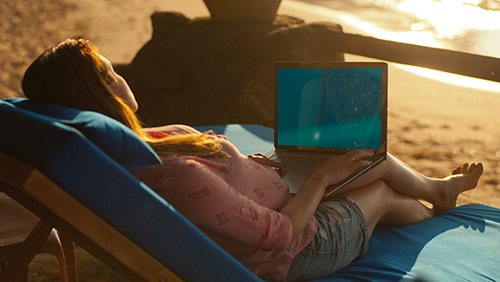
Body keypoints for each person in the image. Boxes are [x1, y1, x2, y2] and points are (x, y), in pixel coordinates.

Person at [21, 38, 484, 281]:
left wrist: (270, 165)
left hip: (279, 196)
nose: (121, 76)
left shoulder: (136, 145)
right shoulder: (177, 177)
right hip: (295, 248)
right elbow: (280, 238)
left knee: (367, 157)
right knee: (377, 188)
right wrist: (320, 180)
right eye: (109, 72)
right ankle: (431, 207)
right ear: (98, 93)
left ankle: (434, 193)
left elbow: (223, 185)